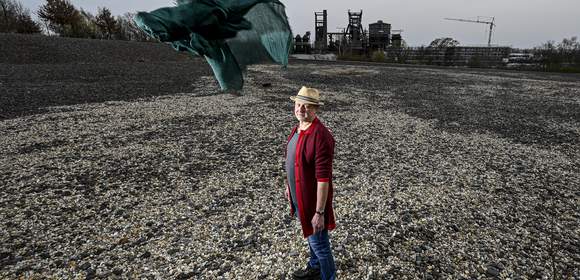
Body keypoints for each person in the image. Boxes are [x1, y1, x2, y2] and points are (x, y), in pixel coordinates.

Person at [285, 86, 336, 280]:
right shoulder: (298, 128)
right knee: (311, 237)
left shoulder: (321, 136)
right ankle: (314, 268)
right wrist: (288, 186)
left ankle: (329, 277)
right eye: (298, 105)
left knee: (320, 245)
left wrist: (319, 212)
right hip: (299, 196)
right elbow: (293, 161)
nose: (301, 109)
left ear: (315, 109)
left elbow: (324, 179)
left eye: (307, 106)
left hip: (313, 203)